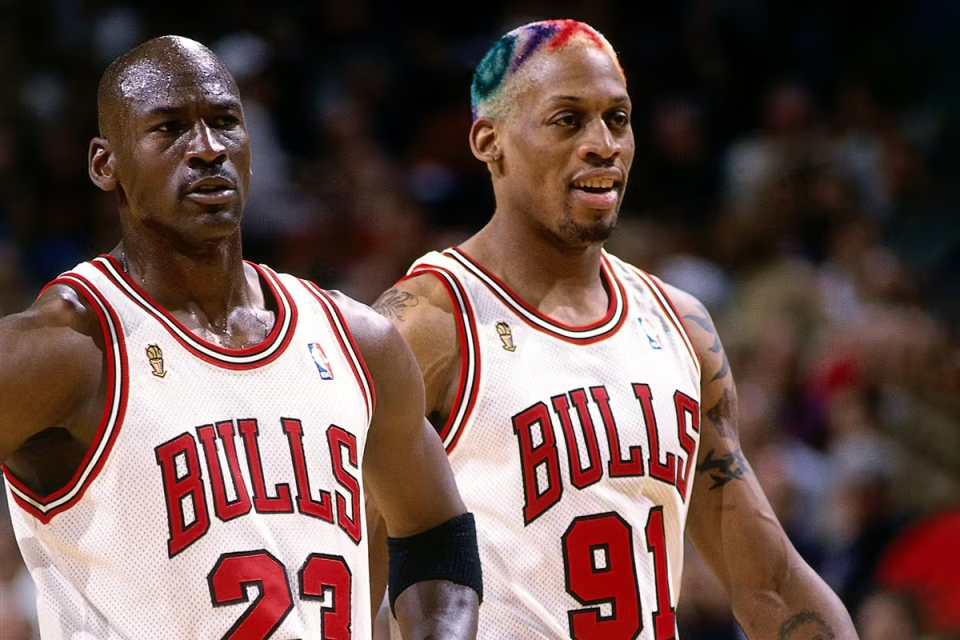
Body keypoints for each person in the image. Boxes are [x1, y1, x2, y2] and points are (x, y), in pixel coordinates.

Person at [371, 20, 857, 639]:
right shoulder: (425, 325)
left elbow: (770, 585)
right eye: (568, 120)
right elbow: (348, 574)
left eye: (617, 119)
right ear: (490, 142)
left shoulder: (682, 327)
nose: (603, 144)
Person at [0, 36, 481, 639]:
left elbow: (438, 538)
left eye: (225, 122)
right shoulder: (64, 349)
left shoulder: (358, 341)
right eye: (169, 128)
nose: (207, 148)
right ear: (105, 164)